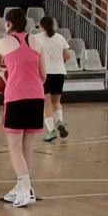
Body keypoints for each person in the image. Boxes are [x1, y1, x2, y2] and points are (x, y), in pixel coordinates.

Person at [0, 9, 44, 207]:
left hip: (16, 97)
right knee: (26, 147)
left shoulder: (1, 43)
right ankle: (20, 188)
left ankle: (26, 190)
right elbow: (43, 75)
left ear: (7, 24)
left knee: (14, 147)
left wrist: (0, 76)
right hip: (37, 96)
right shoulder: (37, 41)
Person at [31, 15, 73, 143]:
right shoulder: (60, 37)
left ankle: (51, 131)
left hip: (44, 73)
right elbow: (67, 56)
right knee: (56, 101)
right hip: (59, 72)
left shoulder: (36, 38)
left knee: (47, 103)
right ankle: (59, 121)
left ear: (41, 26)